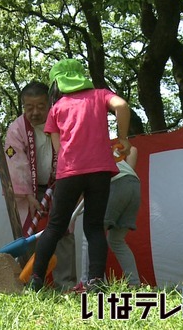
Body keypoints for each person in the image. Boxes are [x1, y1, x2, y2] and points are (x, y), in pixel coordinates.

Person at [29, 58, 131, 292]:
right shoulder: (100, 95)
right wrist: (123, 138)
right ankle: (96, 282)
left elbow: (58, 149)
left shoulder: (56, 109)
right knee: (94, 227)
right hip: (100, 171)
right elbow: (122, 106)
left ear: (57, 84)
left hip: (69, 172)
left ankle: (36, 280)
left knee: (55, 227)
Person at [4, 81, 78, 291]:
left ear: (49, 104)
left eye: (40, 106)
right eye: (29, 107)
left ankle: (66, 284)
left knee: (63, 232)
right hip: (30, 191)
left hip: (61, 183)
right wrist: (27, 195)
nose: (35, 112)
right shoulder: (17, 128)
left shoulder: (62, 121)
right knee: (31, 234)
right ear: (23, 106)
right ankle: (34, 284)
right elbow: (15, 163)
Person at [77, 146, 141, 290]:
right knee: (116, 240)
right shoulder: (103, 146)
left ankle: (87, 283)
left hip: (116, 183)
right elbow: (133, 149)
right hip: (134, 184)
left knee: (91, 234)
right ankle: (134, 283)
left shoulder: (80, 150)